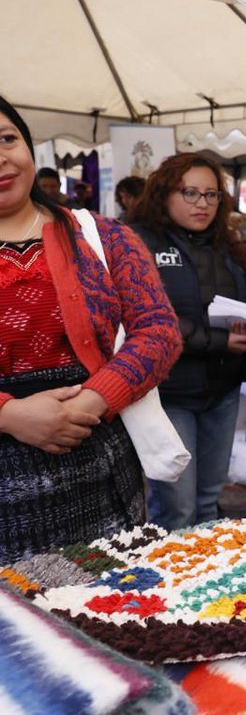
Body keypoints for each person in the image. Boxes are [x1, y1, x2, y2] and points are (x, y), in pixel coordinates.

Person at [0, 97, 181, 562]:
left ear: (28, 145)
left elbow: (158, 331)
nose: (1, 158)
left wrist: (94, 400)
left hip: (98, 463)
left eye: (7, 139)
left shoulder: (104, 235)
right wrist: (9, 415)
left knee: (111, 594)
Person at [130, 153, 246, 531]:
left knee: (208, 500)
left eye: (211, 195)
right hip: (169, 392)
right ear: (164, 193)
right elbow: (151, 317)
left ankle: (202, 565)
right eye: (190, 192)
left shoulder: (226, 245)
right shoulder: (139, 242)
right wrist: (219, 341)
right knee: (177, 508)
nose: (202, 203)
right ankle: (165, 567)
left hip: (223, 390)